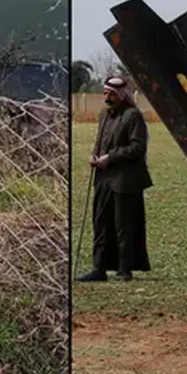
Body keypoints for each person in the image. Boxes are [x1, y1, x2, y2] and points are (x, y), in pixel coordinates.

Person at [76, 76, 152, 282]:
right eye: (105, 93)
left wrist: (111, 157)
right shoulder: (104, 115)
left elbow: (137, 148)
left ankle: (124, 270)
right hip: (103, 178)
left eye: (111, 94)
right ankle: (98, 268)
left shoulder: (133, 116)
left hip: (125, 180)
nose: (107, 98)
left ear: (122, 95)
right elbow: (100, 142)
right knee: (100, 223)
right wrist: (94, 155)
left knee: (123, 225)